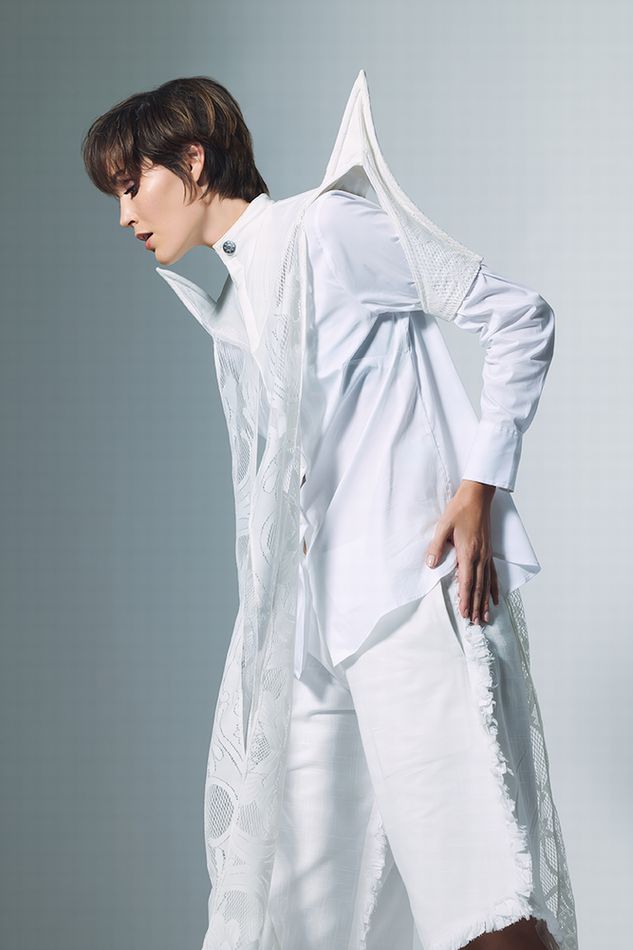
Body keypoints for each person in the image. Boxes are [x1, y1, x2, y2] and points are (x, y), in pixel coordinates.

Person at [82, 72, 578, 950]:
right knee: (291, 913)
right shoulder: (235, 303)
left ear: (191, 161)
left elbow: (517, 316)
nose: (124, 216)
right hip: (312, 641)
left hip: (409, 606)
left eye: (132, 185)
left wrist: (479, 485)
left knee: (478, 900)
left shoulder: (326, 230)